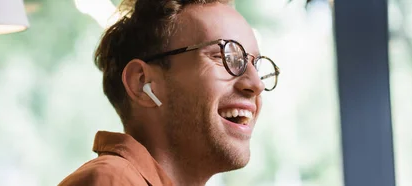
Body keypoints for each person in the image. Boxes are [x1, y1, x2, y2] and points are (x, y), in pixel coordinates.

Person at [58, 0, 280, 185]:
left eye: (255, 64)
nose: (256, 84)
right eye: (225, 57)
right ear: (142, 83)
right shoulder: (112, 180)